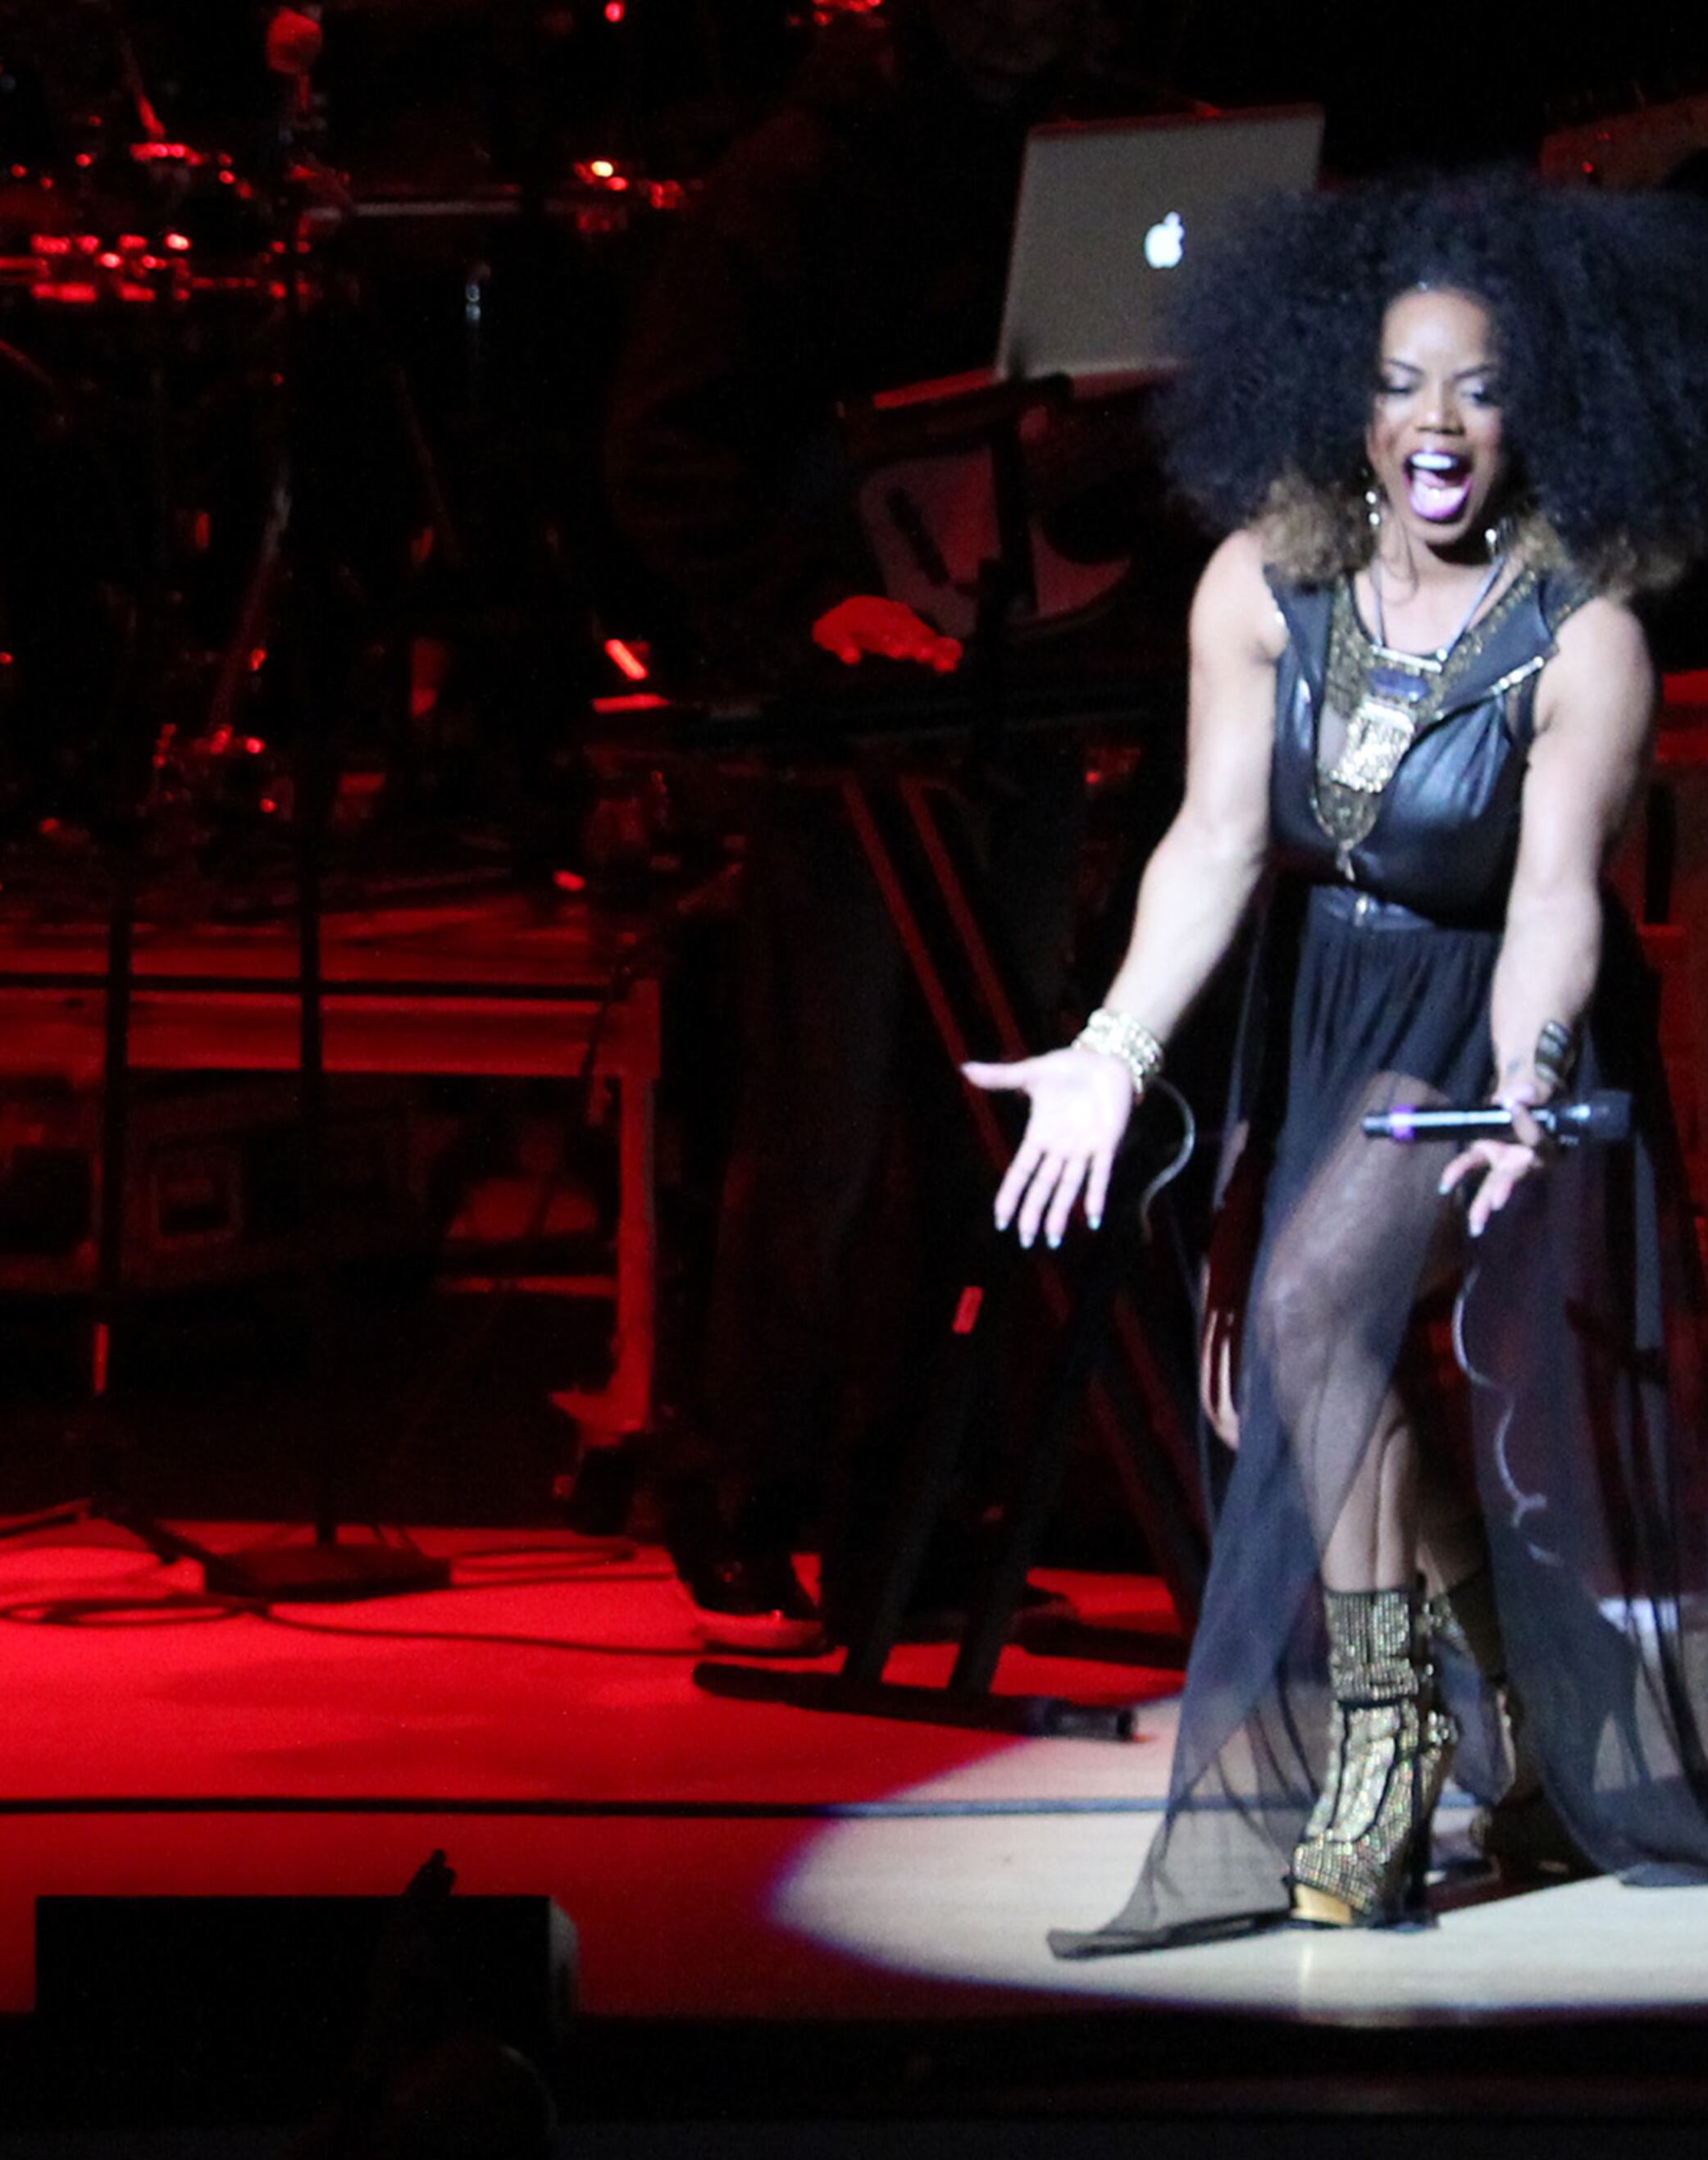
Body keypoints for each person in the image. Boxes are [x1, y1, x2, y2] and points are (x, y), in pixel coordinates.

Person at [964, 170, 1708, 1949]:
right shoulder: (1262, 581)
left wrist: (1531, 1076)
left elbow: (1557, 896)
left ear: (1542, 403)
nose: (1441, 424)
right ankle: (1553, 1725)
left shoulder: (1586, 634)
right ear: (1342, 392)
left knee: (1313, 1326)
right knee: (1288, 1393)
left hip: (1473, 1035)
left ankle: (1389, 1734)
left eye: (1480, 384)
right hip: (1317, 1014)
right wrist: (1109, 1046)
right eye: (1402, 383)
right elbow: (1217, 844)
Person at [603, 0, 1164, 1650]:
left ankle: (917, 1507)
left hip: (1023, 674)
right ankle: (755, 1494)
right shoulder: (802, 177)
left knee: (984, 1118)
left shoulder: (1097, 157)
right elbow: (661, 449)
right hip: (858, 706)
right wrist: (810, 608)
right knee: (831, 1114)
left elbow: (1076, 437)